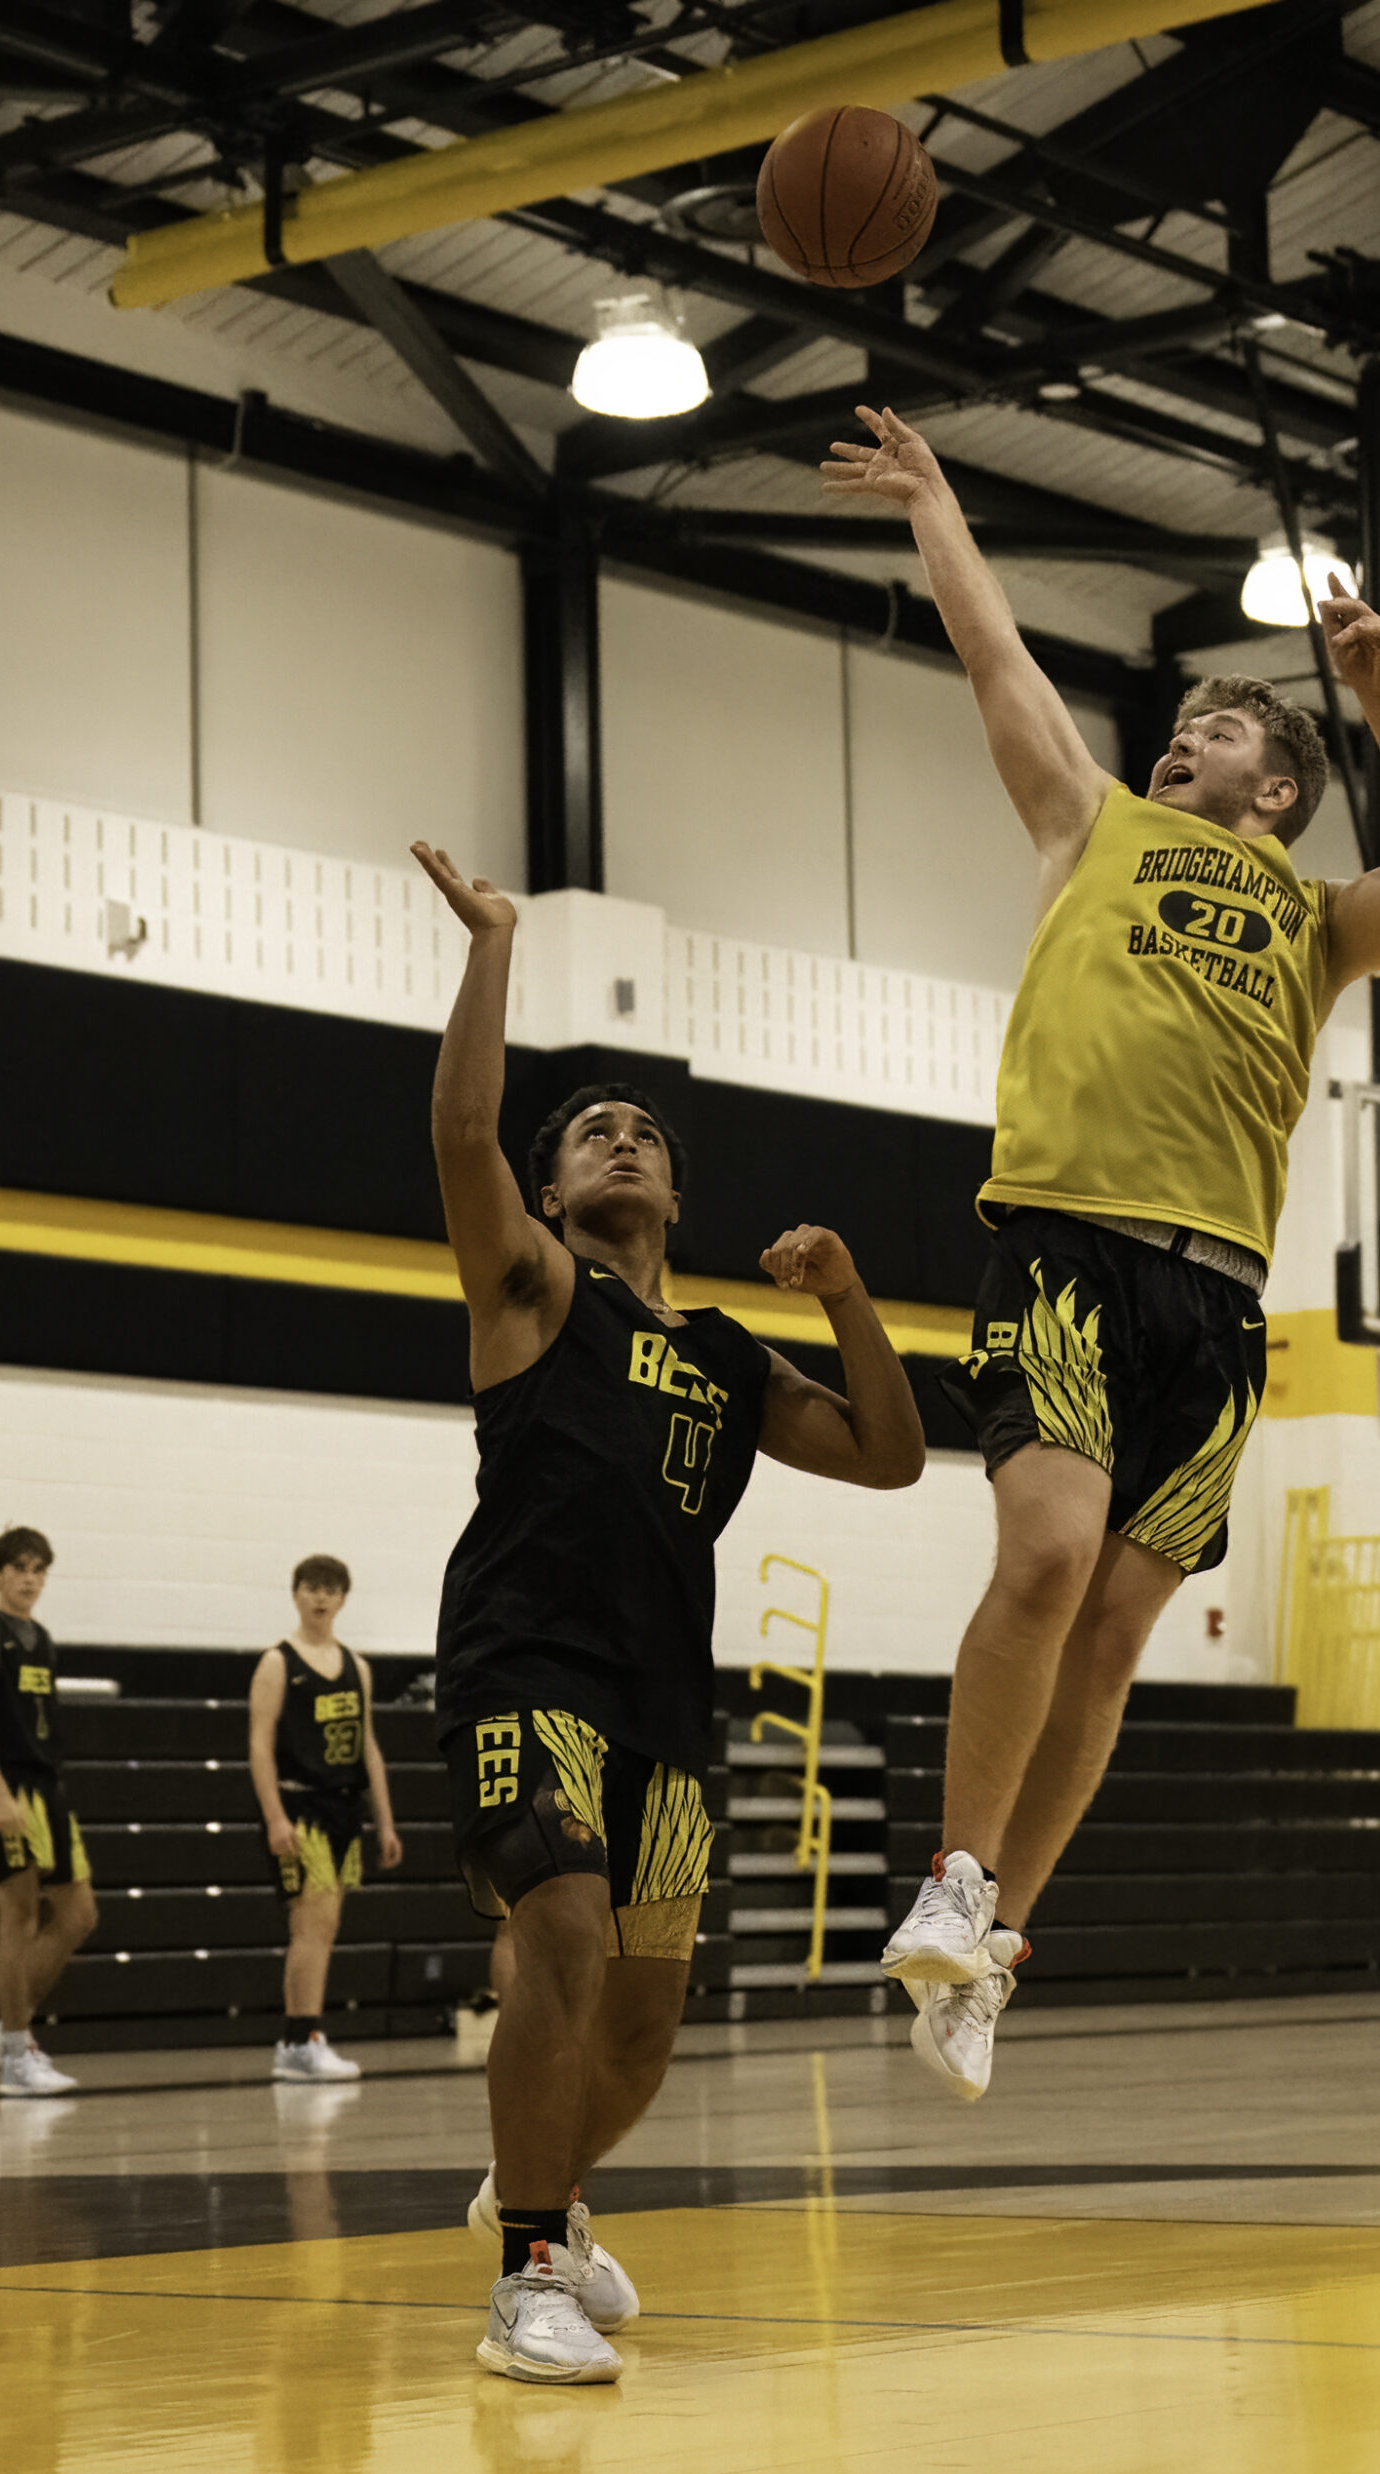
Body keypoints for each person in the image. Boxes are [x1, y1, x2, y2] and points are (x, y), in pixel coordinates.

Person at [823, 404, 1380, 2101]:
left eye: (1210, 730)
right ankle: (953, 1876)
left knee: (1112, 1634)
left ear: (1273, 788)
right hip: (1062, 1240)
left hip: (1221, 1305)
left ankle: (989, 1952)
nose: (1176, 737)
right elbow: (995, 668)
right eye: (1177, 724)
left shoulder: (1320, 923)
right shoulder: (1090, 826)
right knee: (1040, 1565)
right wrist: (934, 506)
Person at [412, 835, 926, 2387]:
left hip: (664, 1707)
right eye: (592, 1135)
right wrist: (494, 942)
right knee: (557, 1931)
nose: (619, 1144)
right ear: (558, 1190)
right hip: (525, 1665)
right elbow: (460, 1128)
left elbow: (895, 1459)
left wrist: (844, 1295)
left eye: (643, 1134)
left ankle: (542, 2195)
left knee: (640, 2029)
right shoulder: (532, 1295)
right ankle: (525, 2284)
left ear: (676, 1195)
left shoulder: (723, 1358)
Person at [247, 1553, 403, 2084]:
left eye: (330, 1589)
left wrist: (385, 1821)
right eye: (311, 1587)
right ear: (296, 1594)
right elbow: (260, 1745)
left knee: (326, 1925)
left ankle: (302, 2038)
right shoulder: (277, 1662)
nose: (320, 1597)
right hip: (298, 1805)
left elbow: (369, 1747)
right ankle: (300, 2038)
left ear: (342, 1598)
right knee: (310, 1923)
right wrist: (273, 1817)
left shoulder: (357, 1668)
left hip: (344, 1808)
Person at [0, 1527, 96, 2098]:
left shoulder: (41, 1638)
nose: (29, 1578)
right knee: (18, 1915)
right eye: (18, 1568)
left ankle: (5, 2029)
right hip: (9, 1785)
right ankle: (17, 2053)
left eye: (39, 1569)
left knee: (80, 1914)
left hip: (48, 1788)